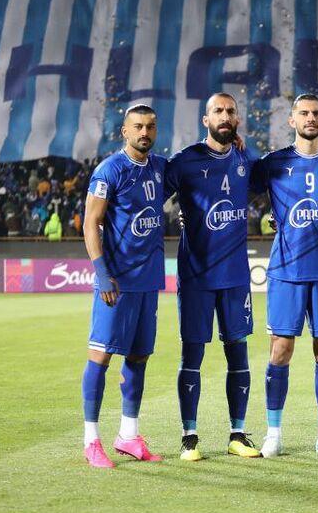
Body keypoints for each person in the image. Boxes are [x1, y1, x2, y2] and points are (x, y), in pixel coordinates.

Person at [252, 94, 318, 458]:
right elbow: (235, 187)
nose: (310, 118)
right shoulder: (272, 163)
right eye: (303, 113)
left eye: (316, 113)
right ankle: (273, 434)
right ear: (292, 120)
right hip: (286, 271)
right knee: (280, 349)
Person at [163, 92, 260, 461]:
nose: (225, 115)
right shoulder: (185, 161)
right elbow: (151, 196)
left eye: (230, 111)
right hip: (196, 276)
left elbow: (277, 187)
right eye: (218, 110)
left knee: (239, 354)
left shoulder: (246, 159)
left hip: (235, 276)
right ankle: (189, 437)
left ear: (237, 119)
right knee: (192, 354)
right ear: (206, 120)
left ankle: (238, 434)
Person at [79, 105, 167, 468]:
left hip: (148, 281)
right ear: (124, 132)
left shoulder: (160, 168)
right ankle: (91, 441)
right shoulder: (109, 170)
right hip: (116, 282)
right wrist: (102, 273)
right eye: (138, 126)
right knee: (100, 357)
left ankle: (128, 436)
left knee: (139, 356)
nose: (144, 132)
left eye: (150, 127)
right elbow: (91, 223)